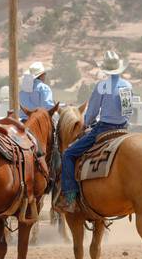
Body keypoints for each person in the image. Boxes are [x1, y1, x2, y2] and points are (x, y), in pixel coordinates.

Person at [56, 51, 132, 213]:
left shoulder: (102, 86)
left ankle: (70, 198)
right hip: (123, 129)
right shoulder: (127, 86)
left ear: (105, 69)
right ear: (119, 69)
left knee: (68, 154)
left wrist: (86, 125)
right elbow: (127, 112)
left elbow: (91, 113)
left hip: (103, 129)